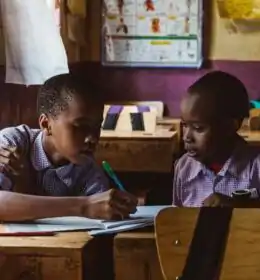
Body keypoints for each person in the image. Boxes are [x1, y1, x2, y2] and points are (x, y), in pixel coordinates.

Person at [0, 73, 137, 221]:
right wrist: (84, 206)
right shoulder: (13, 144)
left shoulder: (89, 171)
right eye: (80, 126)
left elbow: (101, 220)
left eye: (97, 126)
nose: (92, 138)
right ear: (46, 124)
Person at [173, 71, 260, 207]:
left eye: (198, 128)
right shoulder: (184, 167)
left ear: (230, 126)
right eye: (185, 125)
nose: (187, 137)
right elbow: (177, 221)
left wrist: (240, 208)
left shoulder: (256, 167)